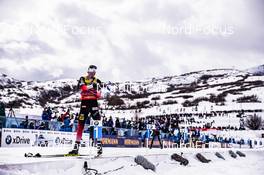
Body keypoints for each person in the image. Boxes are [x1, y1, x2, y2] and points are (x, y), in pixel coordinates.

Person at [69, 65, 103, 156]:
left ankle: (99, 146)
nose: (93, 73)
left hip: (93, 103)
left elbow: (99, 95)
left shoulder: (98, 81)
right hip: (84, 104)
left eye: (94, 71)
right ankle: (76, 147)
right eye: (91, 71)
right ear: (88, 71)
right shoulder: (82, 79)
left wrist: (92, 90)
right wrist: (92, 87)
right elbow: (83, 88)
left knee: (97, 123)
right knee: (81, 124)